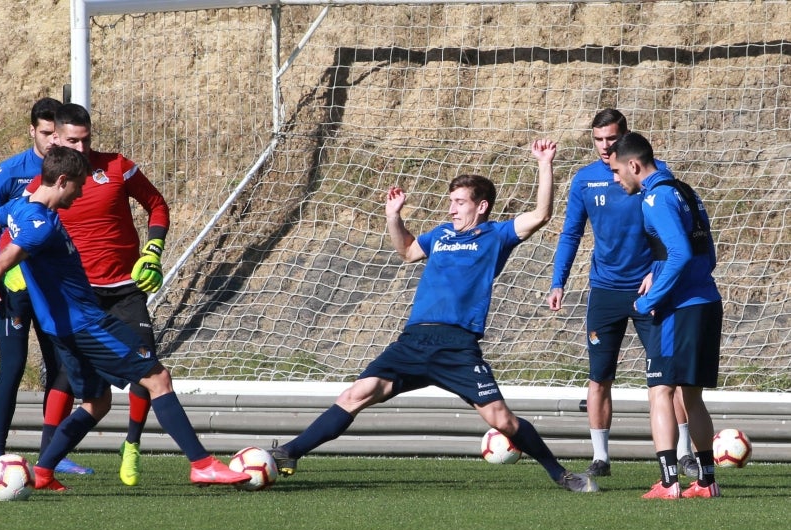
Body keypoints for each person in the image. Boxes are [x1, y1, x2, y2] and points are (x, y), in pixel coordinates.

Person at [269, 140, 598, 493]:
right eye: (451, 202)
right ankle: (290, 452)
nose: (452, 209)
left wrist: (544, 164)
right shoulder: (440, 234)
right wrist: (393, 216)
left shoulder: (495, 235)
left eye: (459, 202)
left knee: (500, 419)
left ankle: (561, 475)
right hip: (414, 340)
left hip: (457, 345)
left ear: (481, 206)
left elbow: (540, 215)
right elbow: (408, 251)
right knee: (357, 393)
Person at [0, 146, 250, 491]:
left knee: (97, 403)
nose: (81, 192)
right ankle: (201, 464)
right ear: (62, 181)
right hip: (87, 325)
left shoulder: (19, 208)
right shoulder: (39, 227)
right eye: (78, 186)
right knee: (158, 379)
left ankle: (43, 472)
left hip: (63, 329)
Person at [547, 108, 697, 478]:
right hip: (605, 291)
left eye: (611, 139)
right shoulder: (585, 181)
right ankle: (601, 458)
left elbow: (672, 234)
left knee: (669, 376)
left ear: (625, 138)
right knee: (599, 376)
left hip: (650, 289)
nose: (604, 146)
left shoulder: (654, 176)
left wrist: (657, 273)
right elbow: (570, 234)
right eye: (597, 139)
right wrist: (558, 280)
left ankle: (684, 453)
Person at [27, 103, 169, 487]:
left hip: (125, 288)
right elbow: (17, 228)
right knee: (66, 377)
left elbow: (156, 205)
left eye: (86, 139)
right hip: (78, 296)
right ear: (55, 138)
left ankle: (132, 444)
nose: (81, 147)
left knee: (146, 365)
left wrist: (152, 250)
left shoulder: (117, 167)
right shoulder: (44, 184)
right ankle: (48, 456)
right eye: (72, 140)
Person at [0, 97, 92, 475]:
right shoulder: (10, 172)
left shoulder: (66, 172)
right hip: (15, 286)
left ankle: (51, 455)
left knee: (60, 366)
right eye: (45, 133)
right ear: (33, 131)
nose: (53, 140)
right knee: (13, 366)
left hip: (52, 290)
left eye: (57, 133)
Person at [607, 132, 722, 499]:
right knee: (692, 397)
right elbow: (706, 256)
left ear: (634, 165)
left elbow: (680, 253)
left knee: (659, 389)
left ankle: (669, 482)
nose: (615, 178)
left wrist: (648, 299)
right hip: (706, 301)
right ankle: (706, 482)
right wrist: (656, 272)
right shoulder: (686, 191)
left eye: (616, 170)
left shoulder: (654, 198)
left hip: (679, 309)